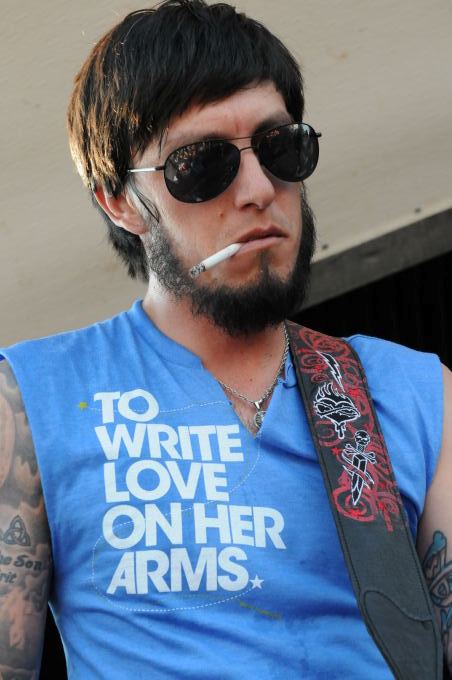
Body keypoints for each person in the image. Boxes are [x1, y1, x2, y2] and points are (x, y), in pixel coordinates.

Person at [0, 1, 451, 677]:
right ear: (119, 201)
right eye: (202, 163)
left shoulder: (416, 392)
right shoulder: (31, 400)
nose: (259, 189)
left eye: (281, 147)